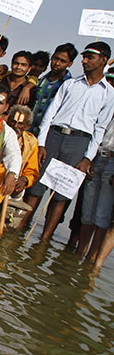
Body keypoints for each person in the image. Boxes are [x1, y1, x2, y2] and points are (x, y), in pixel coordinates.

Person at [26, 42, 114, 242]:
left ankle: (44, 241)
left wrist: (87, 158)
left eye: (90, 57)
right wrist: (41, 143)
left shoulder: (109, 94)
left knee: (61, 195)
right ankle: (19, 229)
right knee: (36, 187)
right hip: (54, 136)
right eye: (84, 56)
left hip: (79, 142)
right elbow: (50, 115)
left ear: (103, 61)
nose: (84, 61)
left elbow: (99, 129)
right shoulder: (70, 84)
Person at [77, 110, 114, 262]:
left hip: (112, 162)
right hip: (98, 156)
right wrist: (90, 157)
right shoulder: (110, 101)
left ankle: (91, 259)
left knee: (102, 215)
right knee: (87, 212)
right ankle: (79, 253)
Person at [29, 43, 77, 135]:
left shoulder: (70, 86)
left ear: (70, 64)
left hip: (49, 135)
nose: (57, 63)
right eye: (56, 58)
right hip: (29, 131)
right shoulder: (40, 81)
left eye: (62, 61)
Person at [5, 105, 40, 199]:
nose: (15, 126)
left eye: (20, 123)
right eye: (13, 121)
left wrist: (24, 180)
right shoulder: (0, 132)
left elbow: (32, 171)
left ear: (27, 126)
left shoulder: (31, 142)